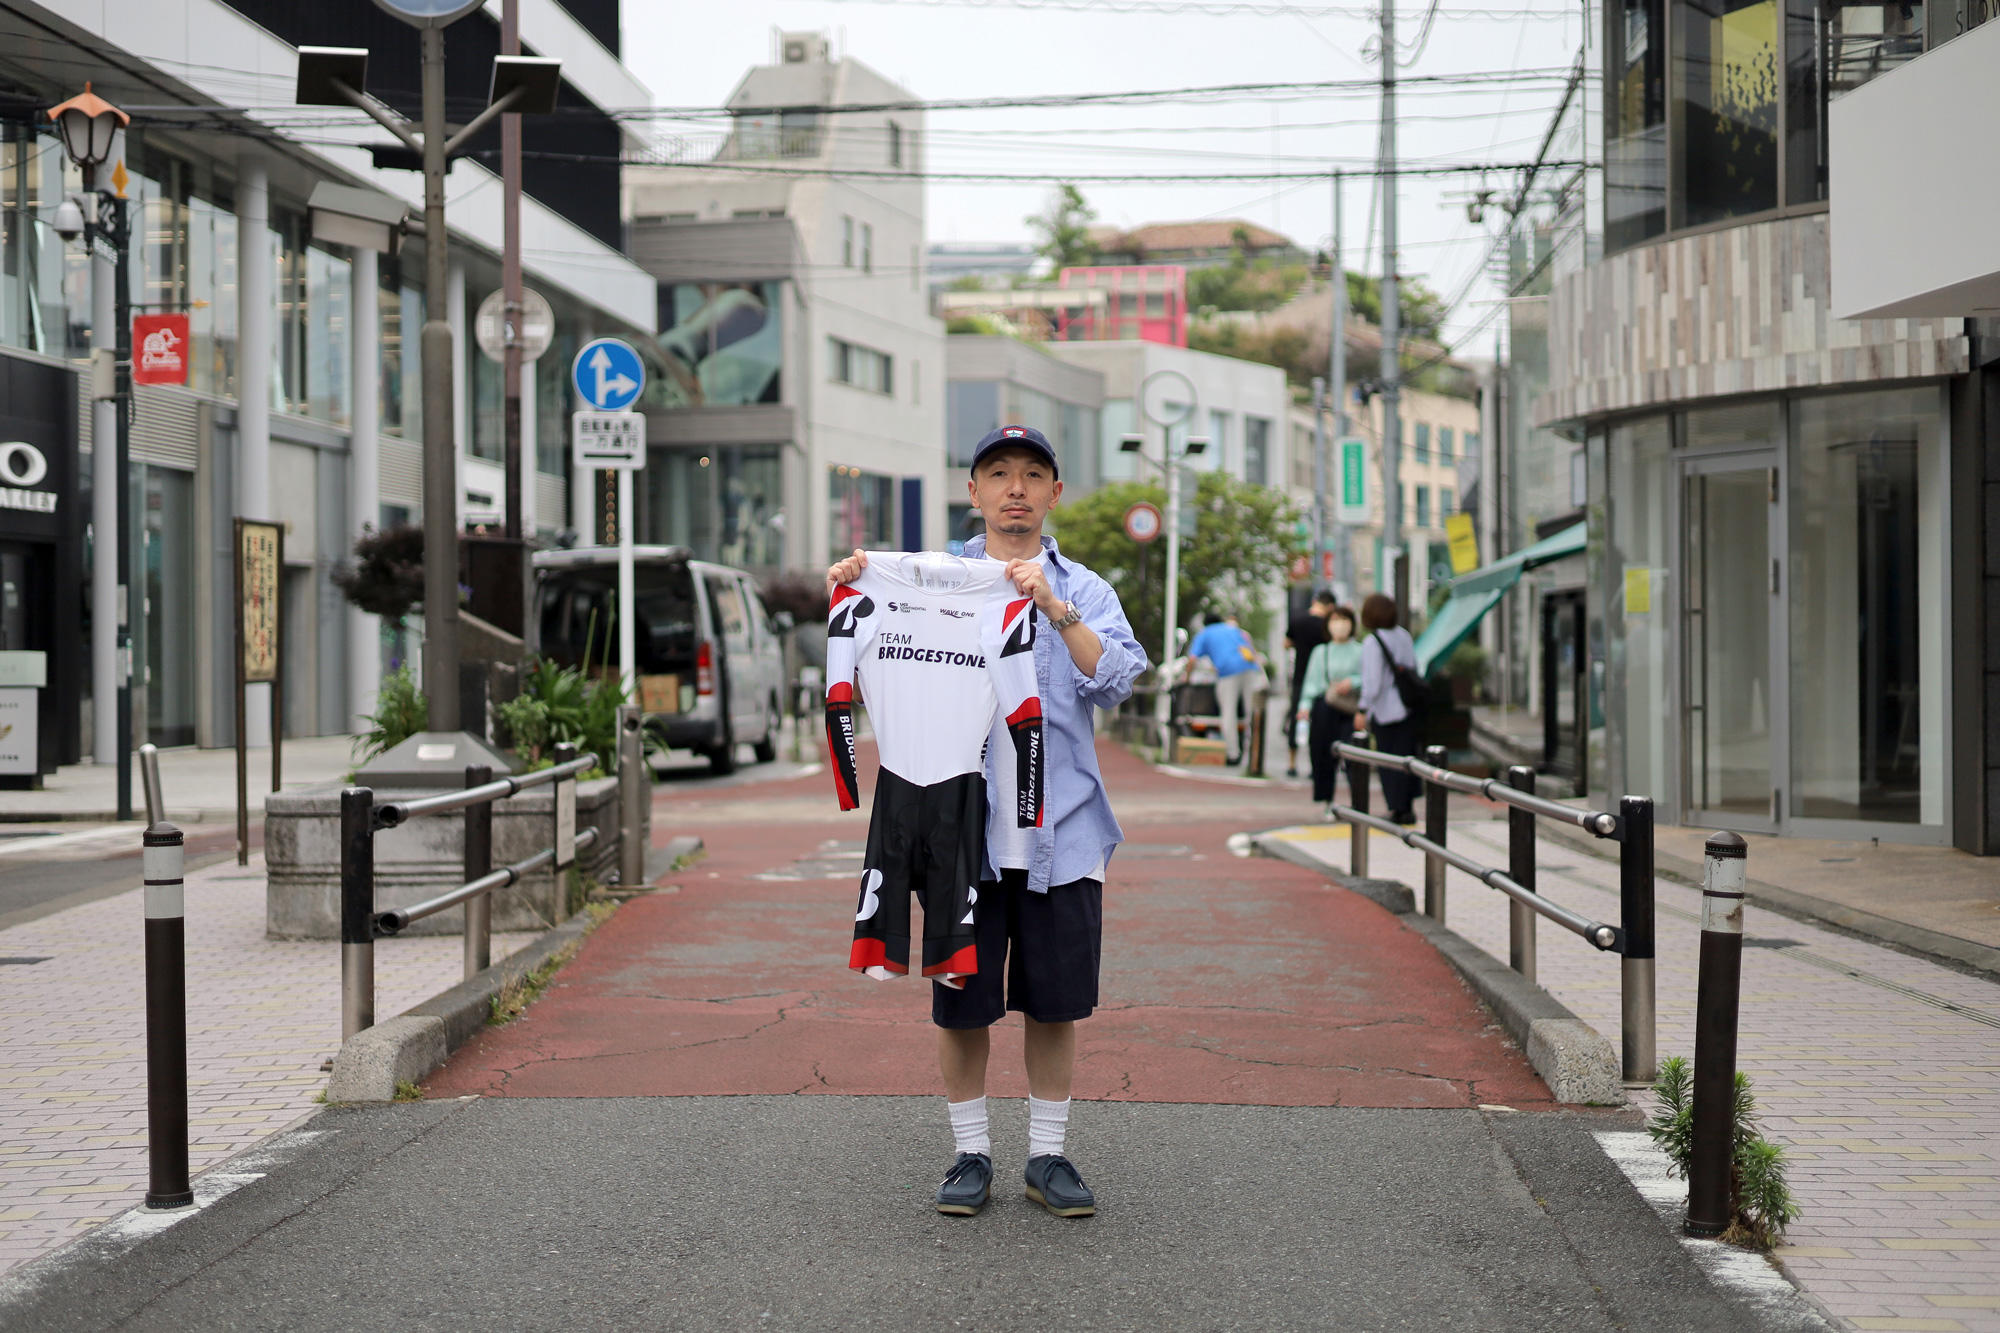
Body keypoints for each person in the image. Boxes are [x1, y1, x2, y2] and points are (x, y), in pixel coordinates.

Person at [825, 423, 1146, 1221]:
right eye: (997, 473)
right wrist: (855, 586)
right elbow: (865, 660)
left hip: (1060, 834)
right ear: (972, 492)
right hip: (958, 829)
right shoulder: (930, 579)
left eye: (1032, 474)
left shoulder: (1087, 588)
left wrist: (1053, 605)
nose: (1015, 488)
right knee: (962, 1002)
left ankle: (1048, 1154)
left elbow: (1117, 677)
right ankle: (970, 1153)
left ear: (1054, 493)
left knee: (1054, 1001)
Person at [1354, 592, 1421, 825]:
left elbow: (1372, 683)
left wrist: (1363, 709)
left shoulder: (1373, 642)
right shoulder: (1404, 636)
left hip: (1385, 710)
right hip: (1408, 706)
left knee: (1389, 761)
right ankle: (1407, 808)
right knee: (1407, 760)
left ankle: (1395, 809)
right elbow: (1413, 666)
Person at [1297, 603, 1362, 812]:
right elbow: (1311, 682)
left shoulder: (1360, 651)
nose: (1339, 625)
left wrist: (1352, 682)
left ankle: (1358, 803)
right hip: (1325, 708)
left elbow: (1368, 678)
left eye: (1344, 620)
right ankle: (1327, 801)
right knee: (1323, 755)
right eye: (1334, 620)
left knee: (1353, 756)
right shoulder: (1321, 651)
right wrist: (1304, 706)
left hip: (1351, 709)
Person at [1188, 612, 1266, 766]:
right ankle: (1254, 754)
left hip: (1228, 672)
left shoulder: (1204, 633)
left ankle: (1233, 754)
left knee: (1228, 713)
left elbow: (1192, 659)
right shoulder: (1233, 629)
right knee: (1251, 712)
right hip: (1250, 667)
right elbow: (1250, 648)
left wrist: (1187, 677)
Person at [1284, 591, 1334, 777]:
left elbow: (1286, 643)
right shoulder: (1327, 626)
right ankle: (1315, 768)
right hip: (1322, 680)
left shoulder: (1297, 620)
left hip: (1300, 677)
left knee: (1297, 718)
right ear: (1330, 606)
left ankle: (1291, 764)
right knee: (1319, 724)